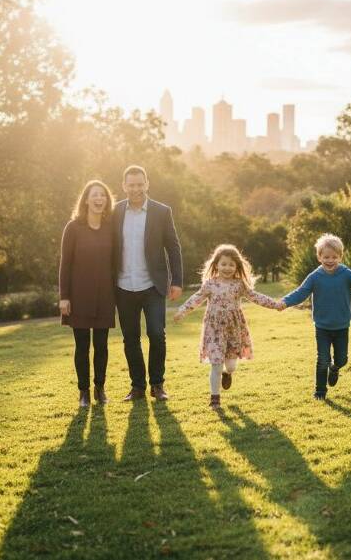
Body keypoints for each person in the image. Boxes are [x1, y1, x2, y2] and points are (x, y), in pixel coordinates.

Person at [174, 244, 284, 409]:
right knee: (216, 363)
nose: (227, 268)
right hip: (214, 329)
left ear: (237, 266)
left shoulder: (239, 285)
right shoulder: (210, 284)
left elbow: (255, 297)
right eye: (224, 264)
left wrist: (274, 304)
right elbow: (196, 298)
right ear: (216, 264)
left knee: (230, 365)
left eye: (231, 264)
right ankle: (214, 398)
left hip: (234, 328)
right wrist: (182, 311)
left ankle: (228, 373)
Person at [279, 233, 351, 400]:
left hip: (342, 326)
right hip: (322, 326)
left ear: (340, 257)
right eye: (326, 257)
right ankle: (320, 392)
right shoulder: (315, 277)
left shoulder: (346, 274)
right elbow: (301, 293)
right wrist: (285, 302)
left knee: (342, 359)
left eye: (334, 257)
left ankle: (335, 368)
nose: (330, 260)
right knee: (322, 359)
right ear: (319, 257)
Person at [113, 165, 183, 402]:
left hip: (153, 285)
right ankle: (137, 387)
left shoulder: (161, 212)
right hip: (123, 286)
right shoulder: (114, 213)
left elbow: (173, 247)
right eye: (131, 185)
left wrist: (177, 281)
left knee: (156, 334)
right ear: (124, 186)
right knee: (130, 338)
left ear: (147, 184)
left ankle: (157, 385)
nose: (135, 189)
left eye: (139, 184)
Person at [58, 180, 116, 407]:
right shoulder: (73, 228)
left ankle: (100, 389)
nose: (99, 198)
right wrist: (64, 296)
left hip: (105, 296)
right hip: (78, 295)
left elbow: (115, 263)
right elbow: (65, 264)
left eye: (103, 195)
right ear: (86, 199)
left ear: (107, 200)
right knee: (82, 346)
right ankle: (83, 392)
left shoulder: (111, 228)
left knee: (101, 346)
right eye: (95, 195)